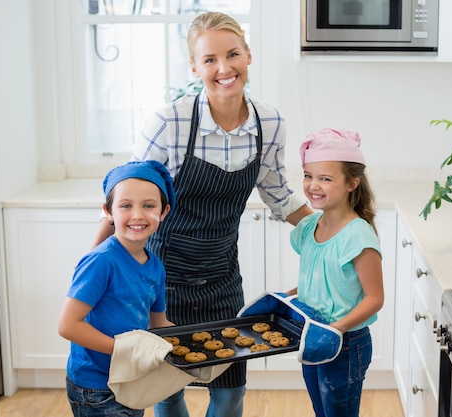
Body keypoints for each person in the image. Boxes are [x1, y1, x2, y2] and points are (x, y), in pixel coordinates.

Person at [92, 11, 311, 417]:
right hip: (163, 282)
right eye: (209, 59)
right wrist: (93, 270)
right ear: (195, 67)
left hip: (223, 278)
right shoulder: (170, 122)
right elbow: (128, 196)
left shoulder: (270, 123)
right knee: (168, 390)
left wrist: (330, 230)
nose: (223, 68)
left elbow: (278, 193)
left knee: (230, 393)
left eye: (233, 55)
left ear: (248, 56)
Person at [58, 160, 176, 417]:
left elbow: (159, 324)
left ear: (163, 211)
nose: (137, 215)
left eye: (148, 206)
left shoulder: (155, 267)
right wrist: (125, 350)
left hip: (132, 377)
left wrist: (194, 345)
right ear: (108, 211)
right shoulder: (101, 261)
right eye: (125, 206)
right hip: (96, 385)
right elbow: (68, 325)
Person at [289, 128, 384, 417]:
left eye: (325, 178)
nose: (313, 186)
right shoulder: (309, 227)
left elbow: (374, 298)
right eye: (308, 175)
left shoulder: (357, 236)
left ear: (352, 184)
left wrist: (336, 329)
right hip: (313, 335)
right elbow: (318, 279)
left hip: (346, 345)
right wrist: (288, 297)